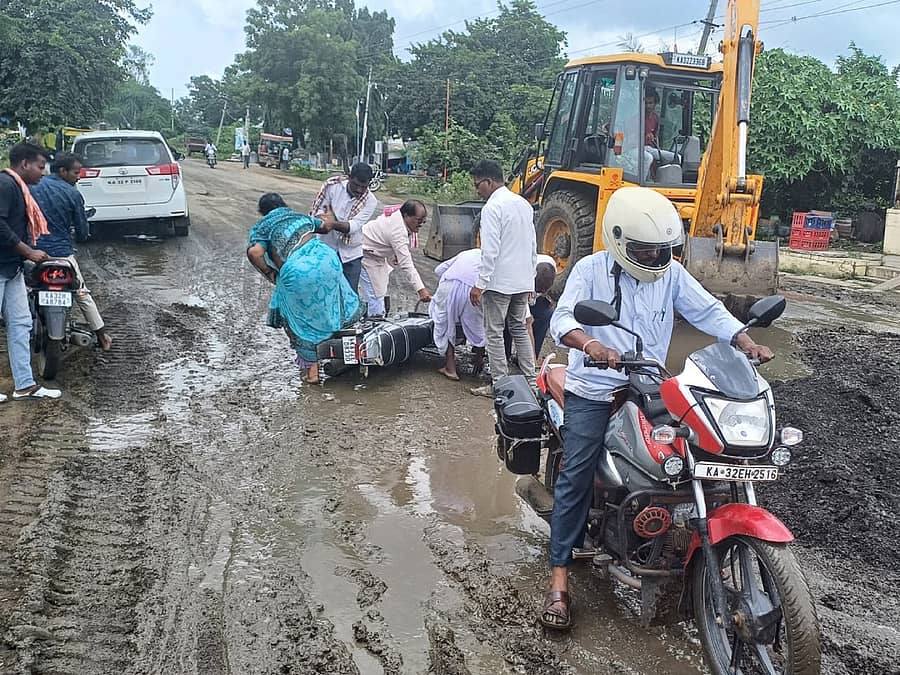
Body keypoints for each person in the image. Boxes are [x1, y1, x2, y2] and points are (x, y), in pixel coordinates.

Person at [539, 187, 773, 630]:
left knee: (693, 455)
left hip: (649, 382)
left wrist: (745, 341)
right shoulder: (591, 269)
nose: (654, 258)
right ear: (620, 241)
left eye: (662, 250)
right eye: (645, 250)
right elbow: (563, 318)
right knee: (576, 474)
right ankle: (559, 580)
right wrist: (591, 344)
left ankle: (696, 542)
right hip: (597, 386)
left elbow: (708, 310)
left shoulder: (671, 274)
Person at [247, 193, 364, 384]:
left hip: (298, 271)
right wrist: (330, 216)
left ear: (263, 212)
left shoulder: (263, 226)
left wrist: (270, 272)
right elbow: (325, 227)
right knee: (333, 307)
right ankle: (345, 354)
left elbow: (255, 252)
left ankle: (313, 374)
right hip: (327, 260)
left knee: (302, 322)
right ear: (284, 205)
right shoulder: (298, 217)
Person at [30, 152, 112, 351]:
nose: (79, 176)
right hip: (62, 254)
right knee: (81, 293)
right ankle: (102, 336)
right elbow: (83, 232)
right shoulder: (73, 194)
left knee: (25, 291)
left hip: (31, 252)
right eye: (76, 172)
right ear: (63, 171)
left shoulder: (31, 187)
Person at [468, 159, 537, 397]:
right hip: (522, 281)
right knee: (519, 328)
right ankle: (531, 381)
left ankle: (500, 385)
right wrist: (532, 279)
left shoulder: (492, 208)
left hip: (499, 283)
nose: (477, 190)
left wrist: (480, 284)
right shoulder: (523, 204)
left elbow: (490, 251)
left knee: (494, 332)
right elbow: (532, 245)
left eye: (478, 185)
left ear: (488, 182)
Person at [0, 143, 61, 401]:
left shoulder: (19, 188)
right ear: (24, 164)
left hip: (10, 268)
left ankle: (25, 385)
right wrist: (28, 251)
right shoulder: (5, 185)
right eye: (40, 166)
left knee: (22, 324)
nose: (43, 173)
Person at [309, 163, 378, 293]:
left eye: (364, 187)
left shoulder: (370, 201)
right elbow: (317, 213)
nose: (359, 190)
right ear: (349, 177)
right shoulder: (331, 186)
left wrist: (332, 223)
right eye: (356, 185)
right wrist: (324, 221)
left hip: (350, 254)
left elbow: (353, 226)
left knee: (348, 295)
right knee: (320, 291)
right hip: (325, 248)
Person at [359, 200, 432, 317]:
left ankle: (375, 315)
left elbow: (386, 238)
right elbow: (407, 265)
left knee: (381, 291)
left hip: (376, 255)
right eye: (418, 220)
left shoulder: (398, 215)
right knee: (375, 296)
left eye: (424, 221)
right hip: (365, 255)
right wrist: (421, 289)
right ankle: (374, 323)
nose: (421, 223)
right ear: (406, 216)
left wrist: (394, 254)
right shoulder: (398, 231)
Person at [429, 248, 485, 381]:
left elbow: (439, 270)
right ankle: (478, 360)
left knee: (446, 324)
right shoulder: (493, 258)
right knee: (480, 325)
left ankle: (450, 367)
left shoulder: (467, 253)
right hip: (475, 290)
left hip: (449, 286)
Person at [504, 253, 557, 362]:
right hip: (512, 292)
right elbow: (528, 324)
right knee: (509, 320)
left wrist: (546, 296)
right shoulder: (521, 272)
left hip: (529, 290)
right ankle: (505, 356)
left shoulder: (551, 265)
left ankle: (527, 358)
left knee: (547, 314)